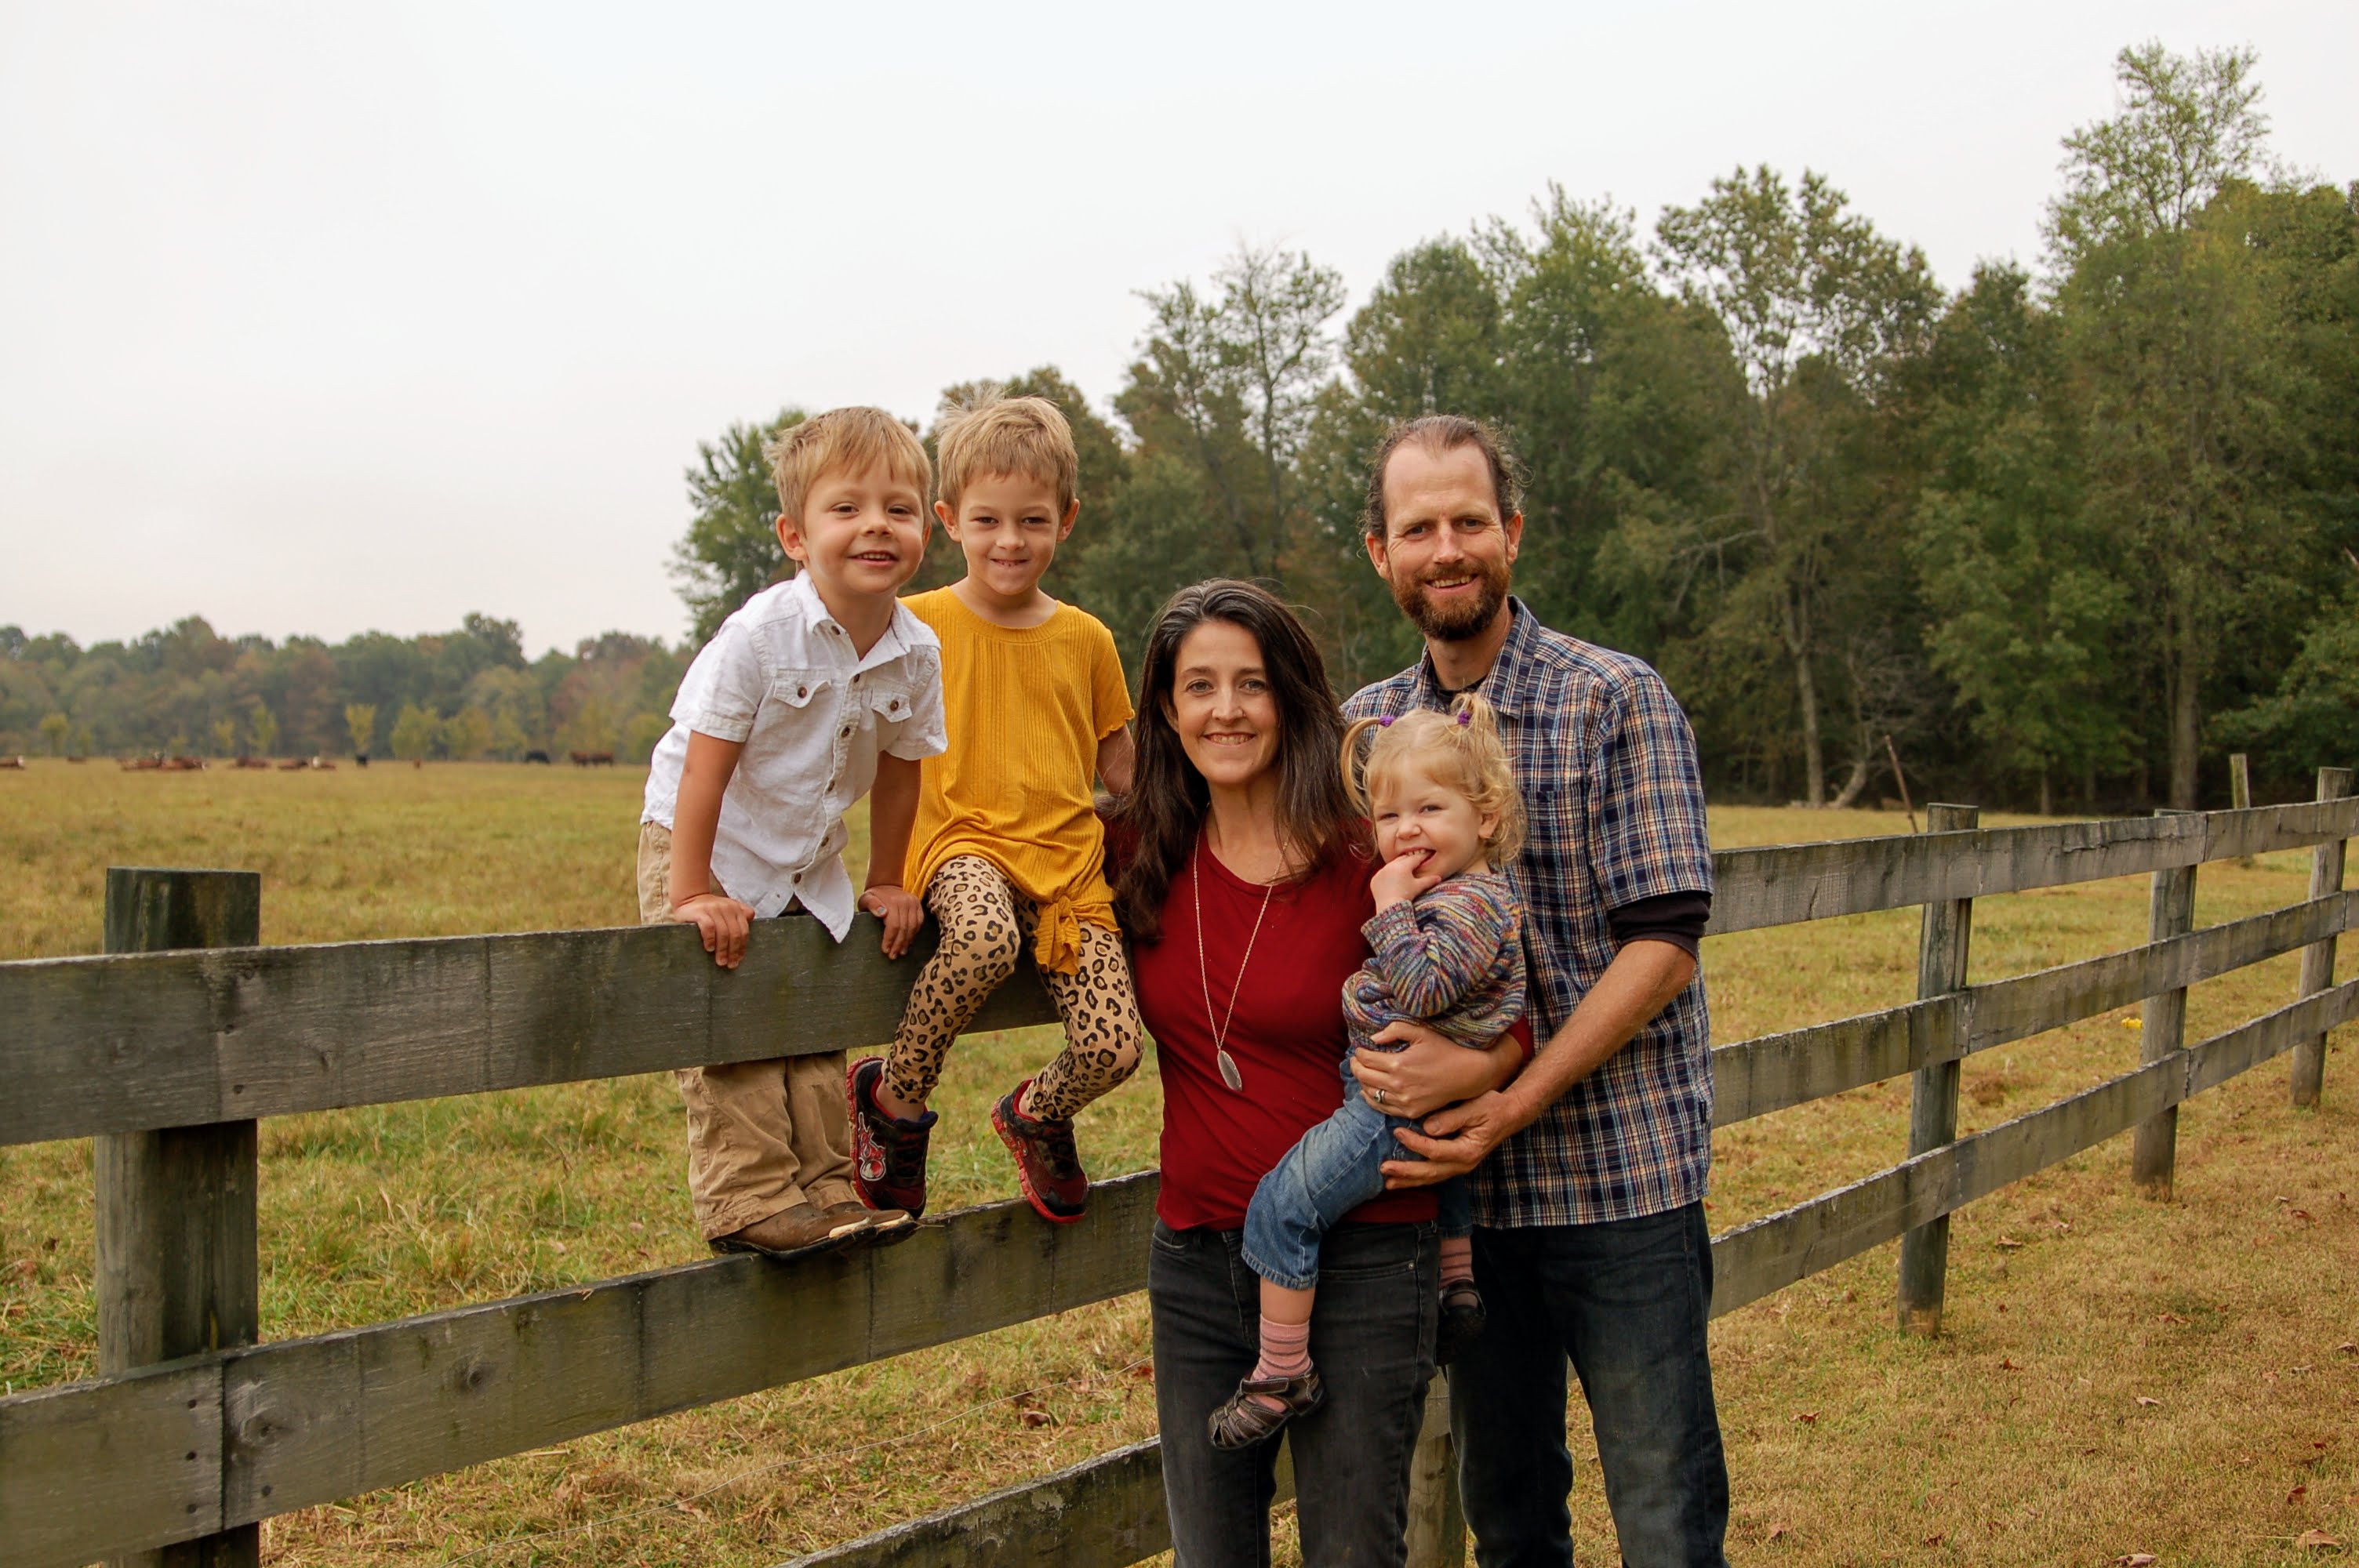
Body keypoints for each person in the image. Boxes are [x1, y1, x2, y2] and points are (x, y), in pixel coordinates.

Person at [1343, 415, 1729, 1566]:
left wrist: (1508, 1093)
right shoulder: (1366, 731)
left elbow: (1662, 944)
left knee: (1663, 1511)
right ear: (1381, 551)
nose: (1447, 547)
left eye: (1470, 521)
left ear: (1512, 532)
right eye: (1420, 527)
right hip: (1461, 1210)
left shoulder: (1617, 697)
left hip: (1621, 1179)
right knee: (1508, 1515)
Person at [1110, 579, 1522, 1568]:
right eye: (1197, 685)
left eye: (1250, 683)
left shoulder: (1371, 857)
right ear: (1166, 709)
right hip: (1198, 1260)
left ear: (1291, 698)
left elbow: (1501, 1010)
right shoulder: (1135, 850)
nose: (1225, 709)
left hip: (1367, 1257)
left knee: (1351, 1551)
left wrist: (1480, 1072)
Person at [637, 406, 943, 1258]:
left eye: (899, 506)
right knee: (728, 1021)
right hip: (706, 836)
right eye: (846, 507)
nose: (876, 524)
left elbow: (900, 769)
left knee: (811, 1016)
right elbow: (703, 769)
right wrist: (694, 888)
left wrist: (887, 875)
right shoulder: (763, 635)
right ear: (795, 535)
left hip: (809, 854)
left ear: (926, 526)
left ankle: (823, 1186)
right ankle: (749, 1199)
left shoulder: (916, 651)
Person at [847, 395, 1143, 1223]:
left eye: (1031, 520)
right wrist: (879, 872)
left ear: (1066, 520)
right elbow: (865, 746)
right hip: (960, 844)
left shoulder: (1087, 638)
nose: (1009, 541)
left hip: (1069, 875)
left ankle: (1035, 1114)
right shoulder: (917, 626)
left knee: (1115, 1044)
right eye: (987, 519)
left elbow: (1120, 767)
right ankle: (895, 1099)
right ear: (948, 519)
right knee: (982, 939)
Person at [1209, 695, 1528, 1450]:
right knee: (1439, 1181)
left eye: (1429, 808)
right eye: (1388, 818)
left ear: (1484, 817)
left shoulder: (1470, 906)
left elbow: (1421, 988)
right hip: (1407, 1092)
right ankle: (1456, 1286)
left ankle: (1282, 1371)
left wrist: (1388, 905)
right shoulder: (1457, 893)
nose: (1405, 830)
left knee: (1283, 1206)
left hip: (1391, 1100)